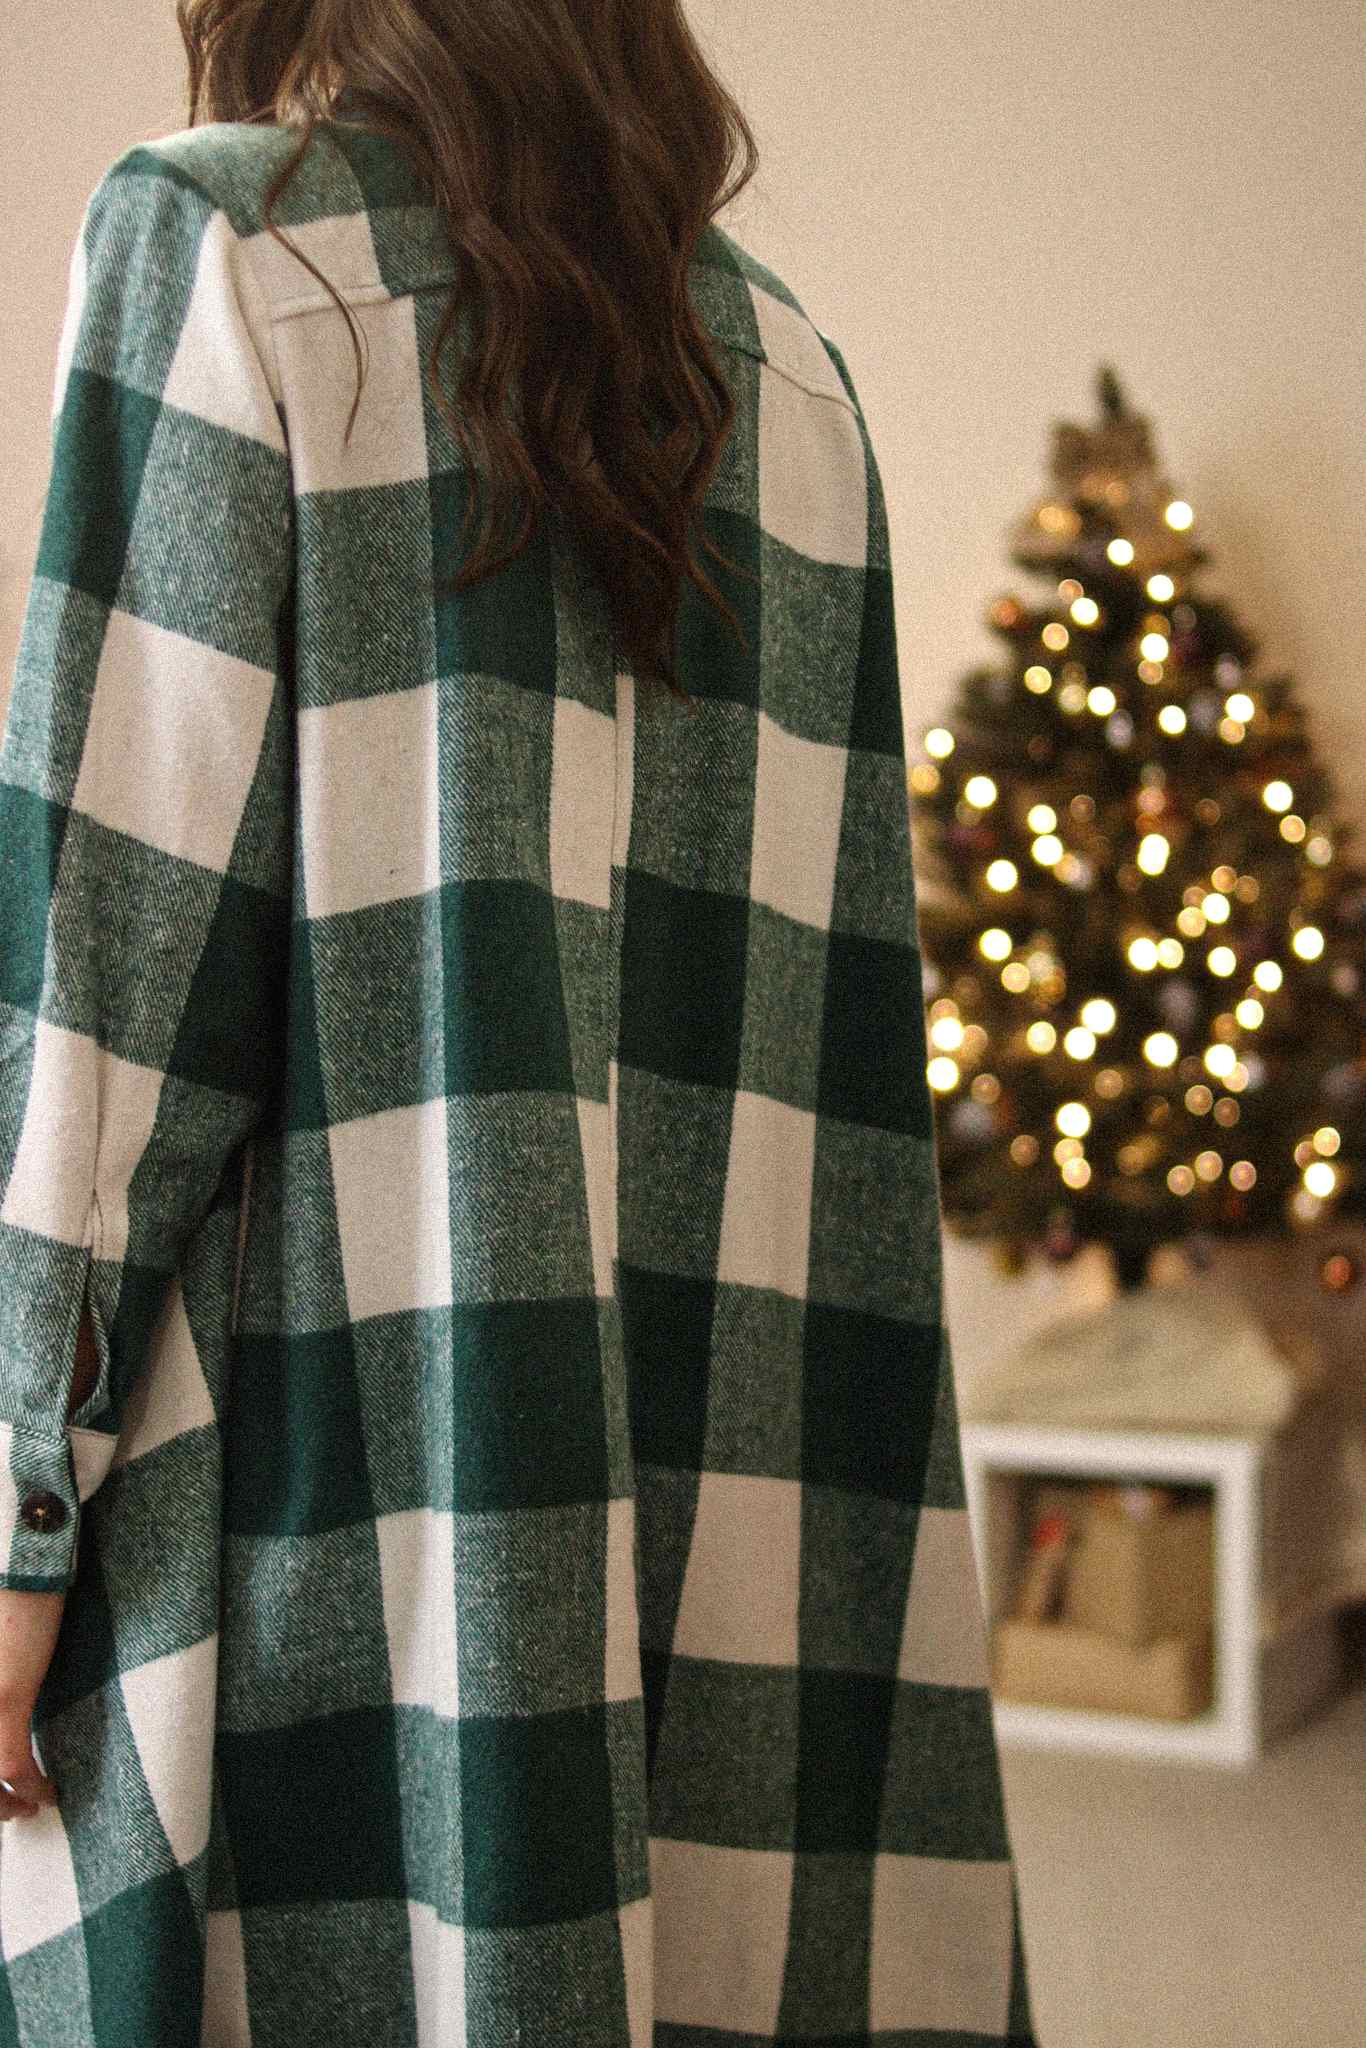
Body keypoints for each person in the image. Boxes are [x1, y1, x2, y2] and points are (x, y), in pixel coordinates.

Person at [0, 3, 1038, 2041]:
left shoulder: (230, 242)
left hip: (325, 1488)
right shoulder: (789, 372)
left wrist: (23, 1499)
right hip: (731, 1521)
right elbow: (832, 1075)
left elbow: (109, 959)